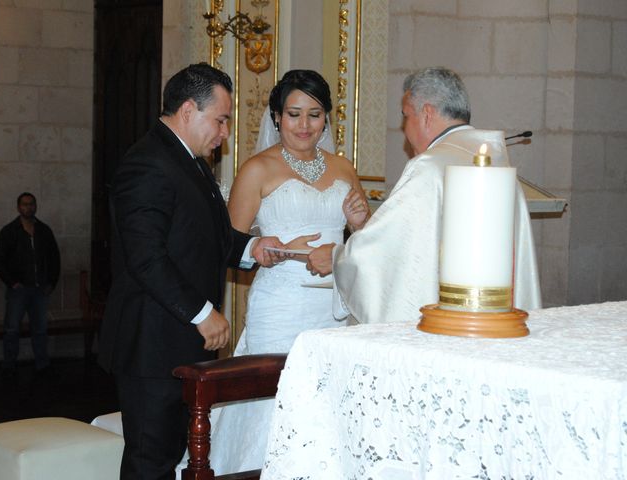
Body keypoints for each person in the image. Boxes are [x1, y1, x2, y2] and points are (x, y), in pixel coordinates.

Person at [97, 62, 285, 480]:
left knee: (176, 455)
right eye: (220, 120)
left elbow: (204, 237)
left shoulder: (190, 161)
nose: (224, 133)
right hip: (151, 344)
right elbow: (146, 258)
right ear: (187, 111)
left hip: (177, 343)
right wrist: (202, 313)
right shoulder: (146, 163)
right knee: (151, 460)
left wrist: (254, 248)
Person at [207, 69, 370, 474]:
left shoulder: (344, 168)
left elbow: (369, 248)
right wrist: (276, 251)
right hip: (279, 308)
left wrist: (360, 227)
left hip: (333, 308)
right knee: (273, 400)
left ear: (326, 119)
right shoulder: (258, 169)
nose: (304, 125)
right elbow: (227, 246)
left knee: (326, 400)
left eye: (314, 115)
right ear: (277, 117)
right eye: (294, 114)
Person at [306, 66, 542, 323]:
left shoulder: (430, 167)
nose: (405, 130)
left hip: (450, 323)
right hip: (495, 319)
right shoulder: (500, 167)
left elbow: (386, 251)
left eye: (406, 116)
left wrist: (337, 258)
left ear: (427, 114)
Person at [0, 192, 60, 377]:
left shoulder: (44, 230)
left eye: (31, 204)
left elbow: (55, 258)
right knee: (12, 329)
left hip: (40, 290)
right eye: (25, 204)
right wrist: (11, 282)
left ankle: (42, 364)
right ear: (18, 207)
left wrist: (51, 282)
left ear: (35, 206)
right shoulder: (10, 231)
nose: (28, 207)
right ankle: (9, 365)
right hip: (19, 290)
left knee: (40, 329)